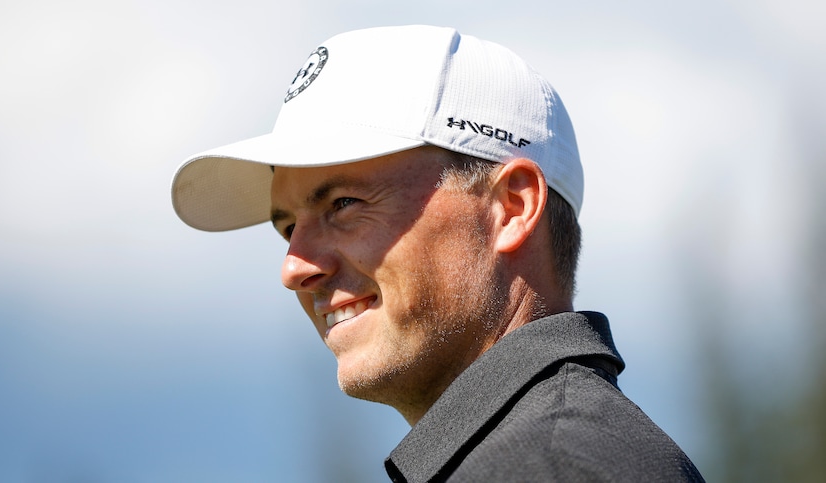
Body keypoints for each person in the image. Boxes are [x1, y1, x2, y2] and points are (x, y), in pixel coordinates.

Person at [170, 25, 704, 482]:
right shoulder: (560, 450)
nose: (295, 267)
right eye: (287, 227)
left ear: (511, 207)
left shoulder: (546, 466)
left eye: (344, 202)